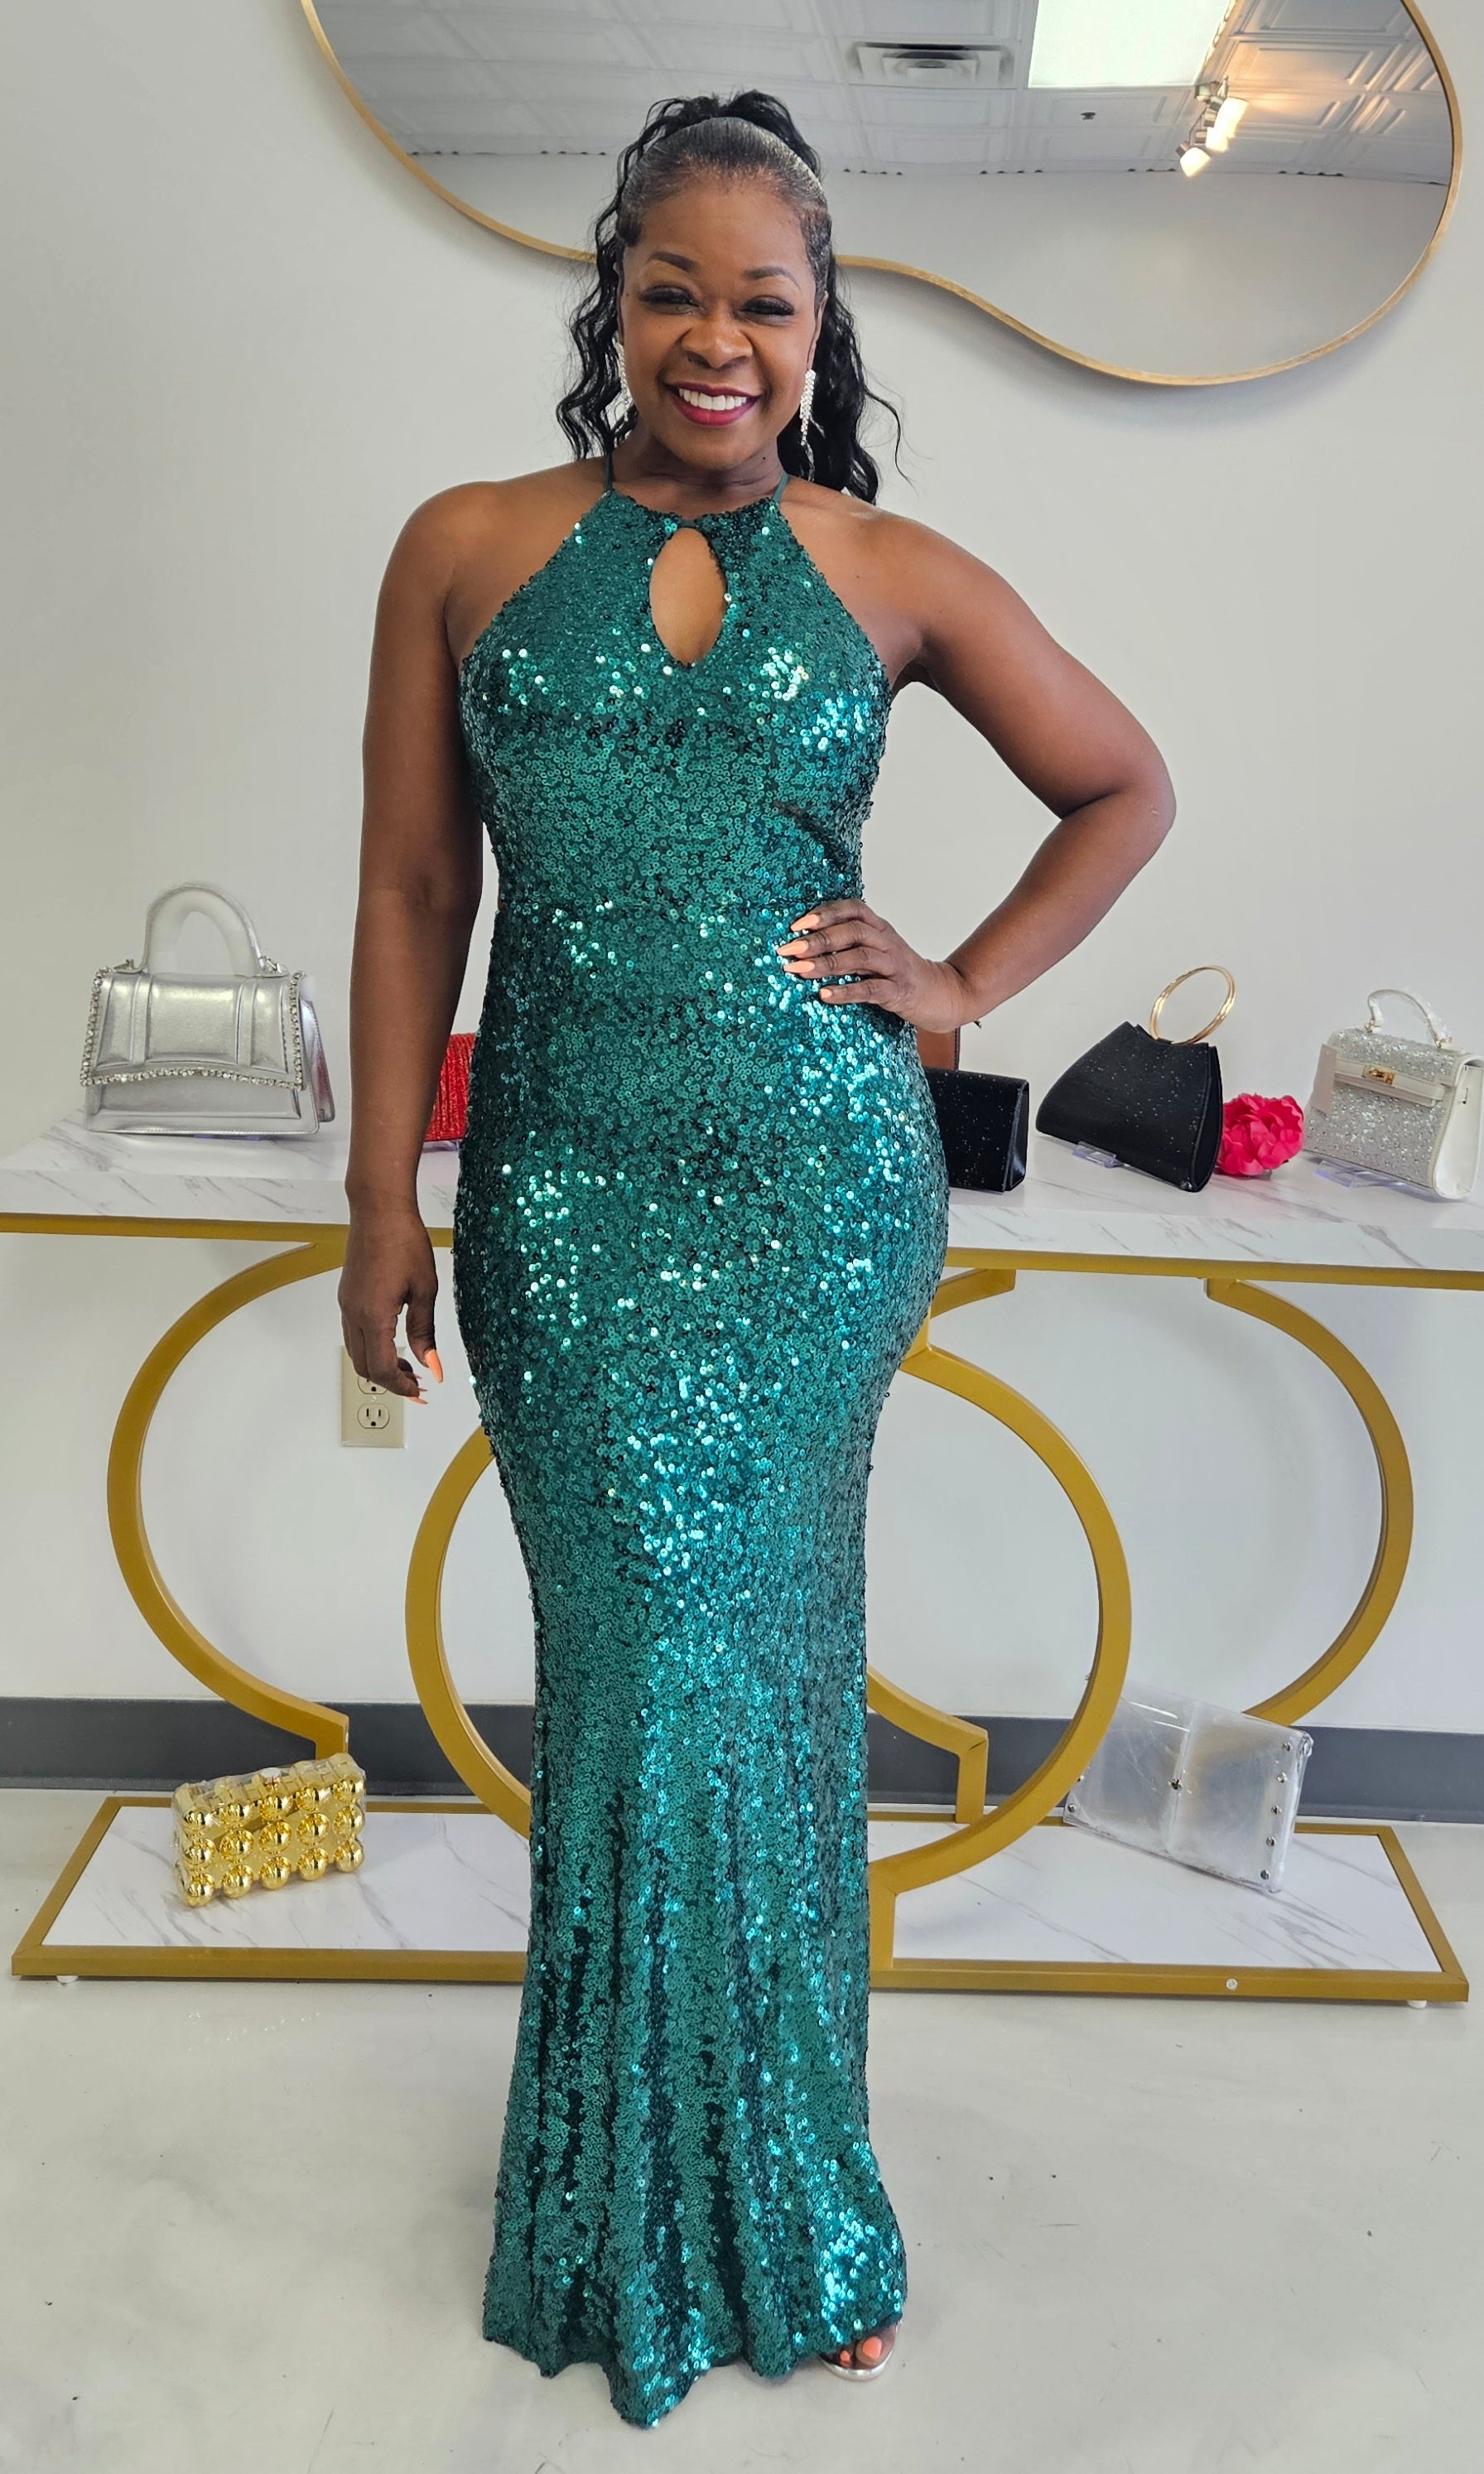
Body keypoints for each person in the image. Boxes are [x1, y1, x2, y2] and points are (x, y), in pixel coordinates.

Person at [338, 89, 1174, 2428]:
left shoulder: (887, 571)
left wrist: (962, 981)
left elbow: (1124, 782)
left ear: (824, 328)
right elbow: (414, 888)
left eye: (766, 302)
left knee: (771, 1688)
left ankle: (785, 2197)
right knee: (641, 1684)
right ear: (613, 301)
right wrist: (380, 1194)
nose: (720, 339)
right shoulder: (465, 547)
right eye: (676, 291)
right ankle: (630, 2200)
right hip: (568, 1202)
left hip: (814, 1204)